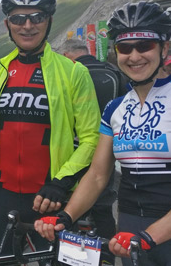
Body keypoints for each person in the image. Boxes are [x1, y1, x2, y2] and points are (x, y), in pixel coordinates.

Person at [34, 2, 171, 266]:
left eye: (144, 46)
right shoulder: (115, 108)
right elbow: (97, 175)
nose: (134, 56)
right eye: (124, 47)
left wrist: (149, 237)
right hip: (129, 232)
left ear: (164, 48)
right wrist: (66, 217)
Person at [0, 0, 100, 257]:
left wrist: (60, 183)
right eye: (18, 18)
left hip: (51, 197)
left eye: (36, 17)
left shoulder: (73, 73)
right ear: (8, 25)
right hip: (3, 196)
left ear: (48, 21)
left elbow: (92, 139)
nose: (27, 26)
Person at [60, 38, 127, 265]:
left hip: (74, 152)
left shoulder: (69, 72)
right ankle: (106, 258)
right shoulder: (113, 71)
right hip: (107, 150)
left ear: (68, 55)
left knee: (70, 208)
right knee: (103, 208)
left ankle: (72, 258)